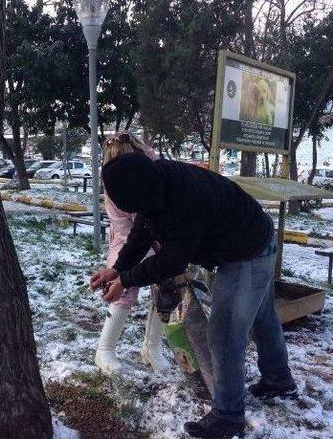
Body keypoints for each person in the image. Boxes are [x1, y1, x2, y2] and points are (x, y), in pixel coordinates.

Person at [90, 153, 297, 439]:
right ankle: (279, 381)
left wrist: (126, 280)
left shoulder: (183, 200)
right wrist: (116, 269)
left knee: (224, 334)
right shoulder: (154, 180)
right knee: (262, 317)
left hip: (247, 252)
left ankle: (229, 416)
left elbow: (172, 261)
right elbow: (142, 231)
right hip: (246, 239)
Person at [95, 132, 170, 374]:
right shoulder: (111, 185)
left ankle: (152, 347)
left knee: (167, 286)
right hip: (127, 236)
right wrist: (127, 270)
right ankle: (104, 350)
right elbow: (126, 230)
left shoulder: (157, 171)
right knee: (122, 285)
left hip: (162, 233)